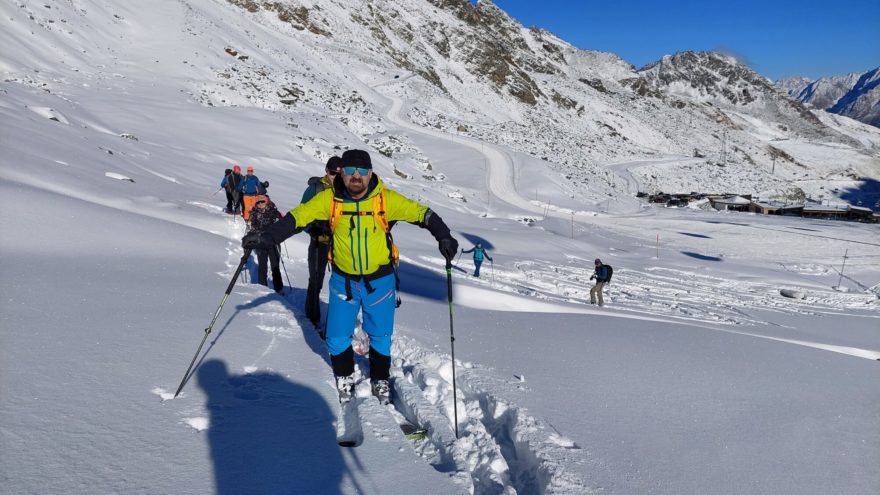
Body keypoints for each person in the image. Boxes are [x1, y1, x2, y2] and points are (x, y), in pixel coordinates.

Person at [242, 149, 458, 405]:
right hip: (344, 281)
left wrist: (443, 235)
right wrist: (269, 236)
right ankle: (344, 376)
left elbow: (424, 214)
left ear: (371, 173)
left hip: (381, 281)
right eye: (351, 170)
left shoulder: (385, 200)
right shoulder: (329, 201)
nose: (357, 176)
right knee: (336, 336)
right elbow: (297, 217)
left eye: (363, 171)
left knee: (380, 335)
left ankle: (380, 379)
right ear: (341, 173)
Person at [300, 156, 342, 328]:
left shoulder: (347, 190)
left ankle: (338, 323)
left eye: (339, 173)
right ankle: (313, 318)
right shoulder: (315, 189)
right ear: (327, 171)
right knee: (316, 280)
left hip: (341, 244)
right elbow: (301, 214)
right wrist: (313, 228)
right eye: (333, 173)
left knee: (342, 285)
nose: (336, 177)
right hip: (319, 242)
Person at [247, 194, 284, 293]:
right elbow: (252, 228)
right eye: (258, 202)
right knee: (262, 266)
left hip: (273, 242)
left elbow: (281, 225)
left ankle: (279, 288)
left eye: (262, 201)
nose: (260, 204)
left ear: (266, 201)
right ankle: (262, 288)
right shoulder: (254, 214)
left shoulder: (274, 212)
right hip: (261, 243)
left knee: (275, 266)